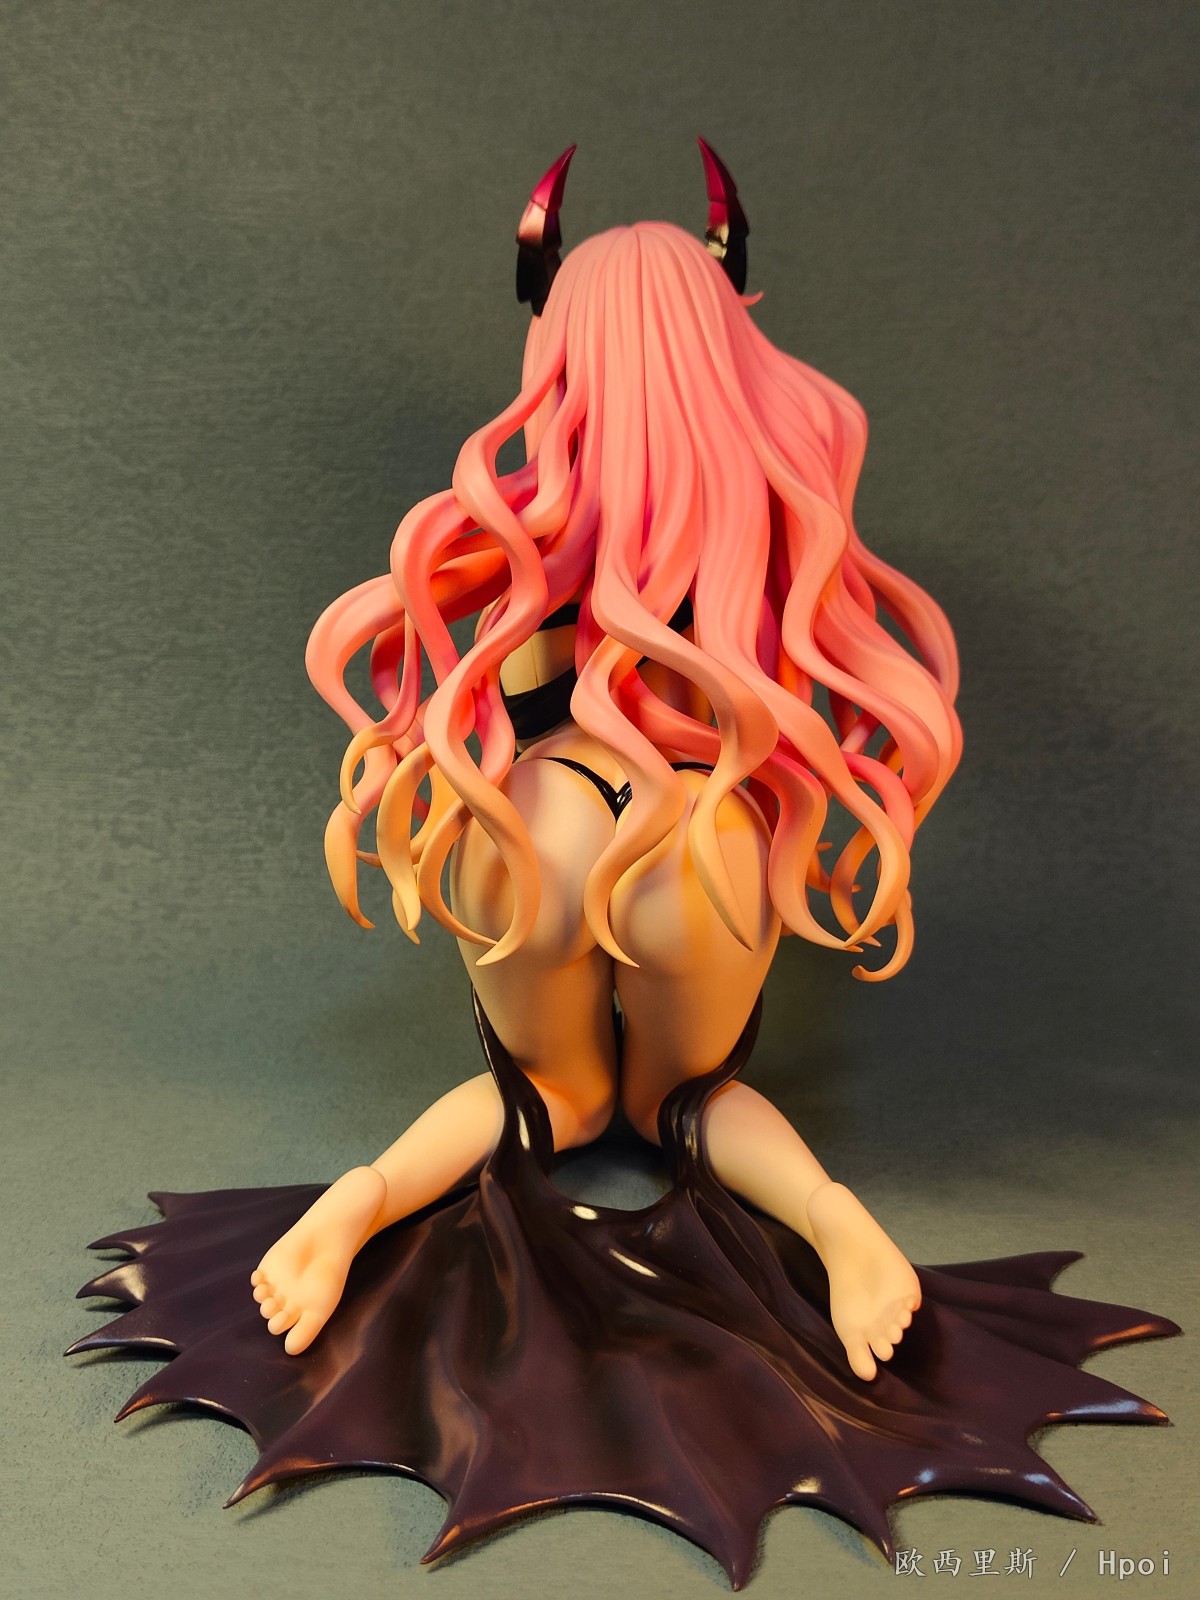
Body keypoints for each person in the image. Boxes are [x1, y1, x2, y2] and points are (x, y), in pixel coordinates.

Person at [249, 145, 962, 1385]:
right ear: (730, 340)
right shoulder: (769, 530)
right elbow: (784, 702)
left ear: (554, 338)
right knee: (686, 1102)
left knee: (548, 1100)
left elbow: (490, 687)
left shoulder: (512, 530)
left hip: (533, 822)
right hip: (697, 836)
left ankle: (363, 1196)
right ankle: (834, 1218)